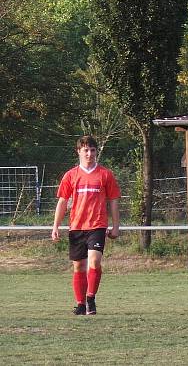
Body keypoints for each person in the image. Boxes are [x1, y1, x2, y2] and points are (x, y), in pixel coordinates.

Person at [51, 135, 121, 316]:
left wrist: (115, 226)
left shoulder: (105, 174)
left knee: (95, 261)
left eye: (92, 150)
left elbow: (113, 201)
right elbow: (62, 202)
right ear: (79, 152)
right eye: (86, 150)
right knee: (78, 267)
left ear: (96, 152)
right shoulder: (71, 175)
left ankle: (91, 298)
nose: (89, 153)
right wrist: (56, 226)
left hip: (97, 225)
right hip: (76, 226)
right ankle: (81, 304)